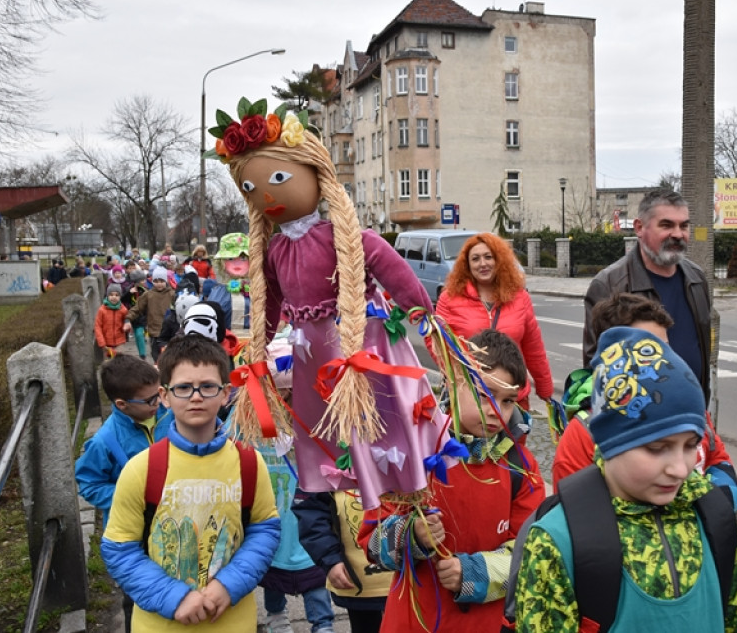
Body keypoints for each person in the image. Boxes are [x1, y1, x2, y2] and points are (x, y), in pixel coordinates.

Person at [214, 97, 448, 505]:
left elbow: (394, 271)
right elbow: (269, 302)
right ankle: (346, 487)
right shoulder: (274, 251)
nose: (266, 195)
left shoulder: (348, 237)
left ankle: (398, 487)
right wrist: (258, 348)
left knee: (380, 417)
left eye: (280, 178)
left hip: (362, 343)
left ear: (315, 173)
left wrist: (422, 312)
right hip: (313, 353)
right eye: (250, 189)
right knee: (328, 425)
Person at [515, 327, 737, 631]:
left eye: (691, 445)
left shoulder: (713, 515)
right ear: (609, 443)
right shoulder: (558, 540)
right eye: (657, 448)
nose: (680, 469)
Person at [359, 329, 546, 632]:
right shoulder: (414, 452)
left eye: (508, 401)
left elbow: (531, 554)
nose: (496, 411)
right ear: (452, 381)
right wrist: (412, 535)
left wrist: (472, 574)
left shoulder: (521, 468)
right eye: (484, 395)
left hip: (484, 625)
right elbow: (371, 544)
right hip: (412, 623)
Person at [101, 334, 280, 629]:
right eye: (183, 388)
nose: (196, 396)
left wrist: (230, 583)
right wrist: (172, 596)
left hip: (233, 622)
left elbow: (264, 529)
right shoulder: (141, 469)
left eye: (207, 386)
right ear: (164, 396)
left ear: (225, 393)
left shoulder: (249, 463)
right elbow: (120, 548)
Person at [553, 292, 737, 506]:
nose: (661, 359)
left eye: (664, 347)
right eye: (646, 350)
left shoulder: (686, 404)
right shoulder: (583, 432)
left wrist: (716, 507)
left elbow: (718, 459)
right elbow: (576, 509)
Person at [583, 189, 711, 402]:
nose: (678, 234)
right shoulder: (609, 284)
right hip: (640, 414)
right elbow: (595, 366)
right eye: (666, 225)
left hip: (693, 409)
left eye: (684, 226)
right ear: (639, 228)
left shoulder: (697, 279)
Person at [75, 355, 171, 632]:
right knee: (138, 595)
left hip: (174, 522)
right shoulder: (104, 441)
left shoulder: (169, 416)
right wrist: (130, 496)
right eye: (150, 399)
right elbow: (89, 483)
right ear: (122, 405)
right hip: (135, 532)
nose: (158, 402)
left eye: (160, 393)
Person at [436, 232, 554, 409]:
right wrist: (457, 376)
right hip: (470, 397)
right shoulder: (449, 299)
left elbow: (533, 347)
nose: (482, 263)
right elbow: (438, 346)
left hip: (512, 397)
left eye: (488, 257)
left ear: (498, 260)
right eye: (475, 259)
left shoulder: (520, 297)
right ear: (467, 265)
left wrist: (545, 388)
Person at [257, 442, 336, 633]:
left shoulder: (312, 432)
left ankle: (323, 624)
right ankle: (276, 616)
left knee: (315, 573)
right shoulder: (251, 432)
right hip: (272, 523)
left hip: (310, 522)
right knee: (271, 568)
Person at [294, 489, 392, 633]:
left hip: (410, 579)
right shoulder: (320, 472)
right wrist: (330, 558)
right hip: (358, 580)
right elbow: (311, 511)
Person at [123, 269, 176, 362]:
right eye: (156, 281)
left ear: (166, 281)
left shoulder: (172, 294)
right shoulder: (148, 295)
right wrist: (128, 319)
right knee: (156, 357)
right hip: (154, 332)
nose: (159, 284)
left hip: (169, 333)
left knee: (170, 359)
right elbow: (137, 309)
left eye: (161, 281)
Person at [122, 269, 149, 361]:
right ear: (135, 282)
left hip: (142, 316)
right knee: (137, 335)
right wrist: (129, 293)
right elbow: (122, 300)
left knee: (139, 334)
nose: (144, 282)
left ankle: (142, 354)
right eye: (142, 280)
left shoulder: (145, 290)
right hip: (131, 315)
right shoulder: (129, 289)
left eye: (144, 280)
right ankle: (141, 352)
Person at [95, 284, 129, 358]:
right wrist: (101, 342)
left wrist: (127, 325)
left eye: (117, 295)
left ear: (120, 297)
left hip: (120, 341)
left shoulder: (123, 309)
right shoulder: (102, 310)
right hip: (106, 343)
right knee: (109, 362)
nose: (114, 297)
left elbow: (127, 320)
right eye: (111, 295)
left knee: (120, 361)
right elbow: (98, 326)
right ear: (107, 296)